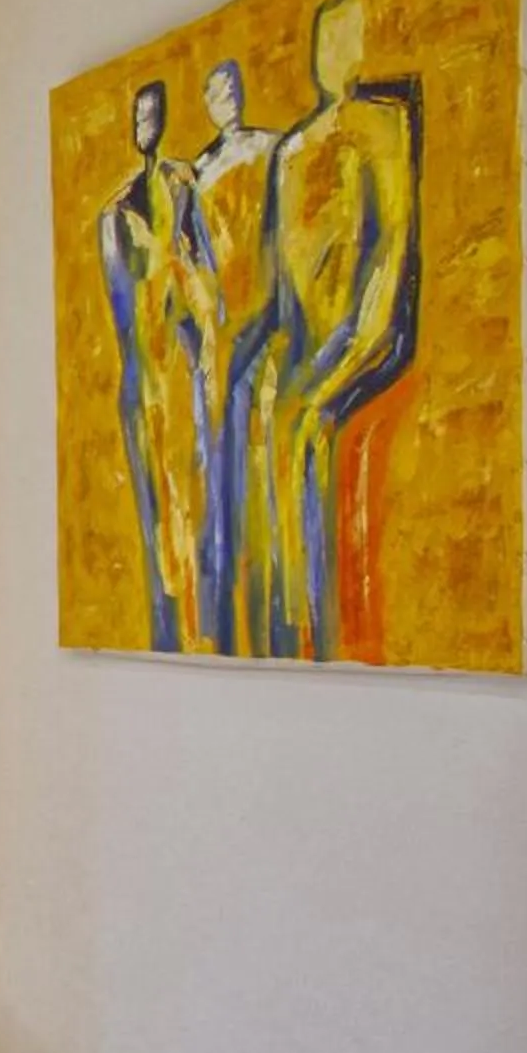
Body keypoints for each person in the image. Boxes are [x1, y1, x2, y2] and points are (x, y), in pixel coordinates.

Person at [256, 0, 422, 658]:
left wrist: (356, 343)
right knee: (271, 414)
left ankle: (321, 624)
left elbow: (392, 249)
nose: (334, 55)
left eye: (344, 39)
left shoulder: (385, 126)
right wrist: (278, 356)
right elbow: (281, 282)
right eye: (324, 40)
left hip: (367, 331)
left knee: (310, 425)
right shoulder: (292, 150)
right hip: (308, 340)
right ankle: (289, 619)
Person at [98, 81, 212, 650]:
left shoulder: (184, 185)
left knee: (191, 500)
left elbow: (204, 273)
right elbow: (126, 312)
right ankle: (168, 628)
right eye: (139, 116)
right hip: (142, 376)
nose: (146, 125)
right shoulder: (115, 213)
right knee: (154, 516)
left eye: (152, 115)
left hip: (181, 369)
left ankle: (197, 626)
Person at [191, 59, 278, 651]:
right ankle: (221, 611)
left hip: (263, 317)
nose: (228, 100)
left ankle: (266, 608)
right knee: (213, 462)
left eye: (233, 89)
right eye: (217, 93)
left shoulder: (271, 149)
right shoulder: (197, 170)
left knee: (262, 455)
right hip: (215, 332)